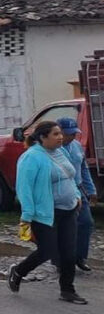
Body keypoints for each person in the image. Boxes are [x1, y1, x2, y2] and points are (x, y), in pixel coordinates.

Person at [9, 121, 87, 304]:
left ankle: (67, 290)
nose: (60, 137)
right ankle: (19, 271)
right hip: (45, 213)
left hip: (68, 210)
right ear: (43, 137)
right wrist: (27, 215)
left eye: (60, 133)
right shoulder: (31, 157)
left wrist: (76, 196)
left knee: (69, 253)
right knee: (47, 251)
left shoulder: (60, 152)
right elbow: (24, 188)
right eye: (55, 134)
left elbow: (70, 176)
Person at [58, 117, 97, 272]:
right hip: (62, 191)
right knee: (64, 227)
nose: (72, 136)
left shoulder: (77, 146)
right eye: (68, 133)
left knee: (86, 222)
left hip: (79, 188)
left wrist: (91, 190)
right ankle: (61, 260)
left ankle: (80, 257)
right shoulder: (53, 148)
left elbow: (84, 169)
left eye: (74, 133)